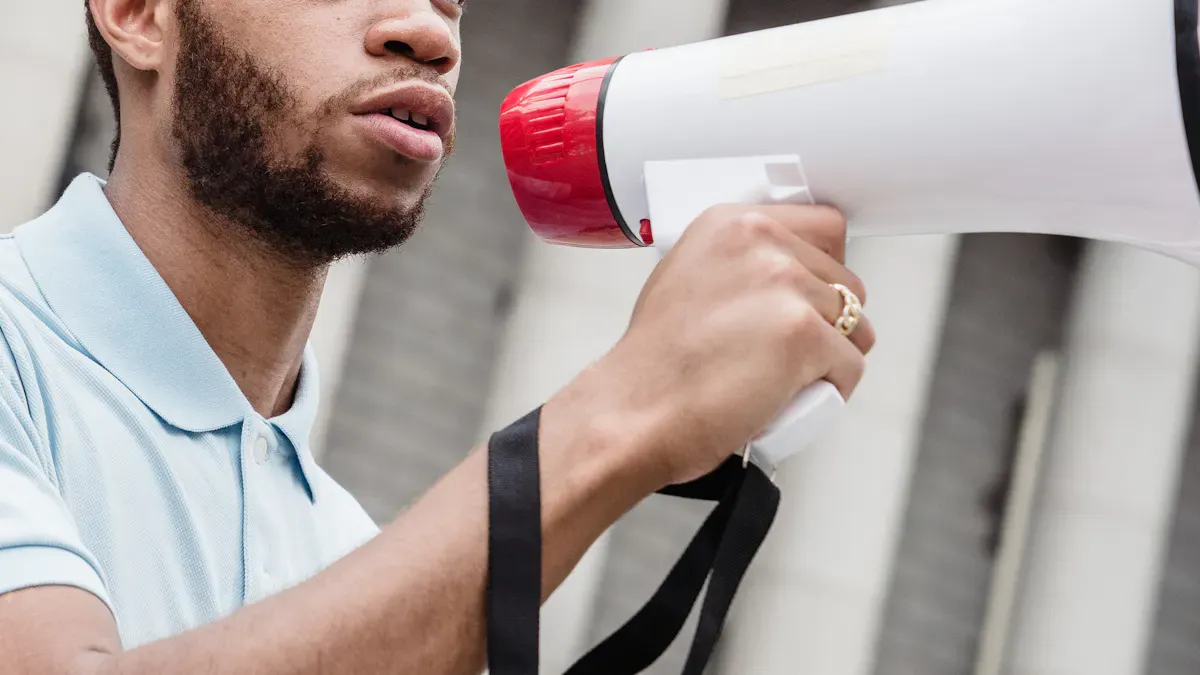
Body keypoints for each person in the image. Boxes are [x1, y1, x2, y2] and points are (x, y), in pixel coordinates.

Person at [0, 1, 875, 673]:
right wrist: (622, 414)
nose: (430, 35)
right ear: (139, 14)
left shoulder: (366, 572)